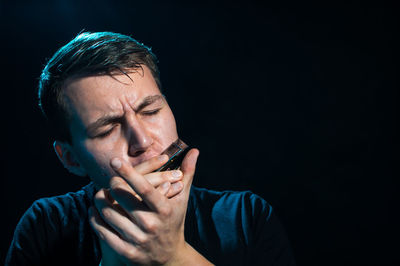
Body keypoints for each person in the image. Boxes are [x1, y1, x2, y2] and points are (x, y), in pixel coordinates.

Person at [5, 32, 296, 266]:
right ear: (70, 158)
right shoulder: (46, 226)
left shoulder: (246, 216)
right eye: (107, 129)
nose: (143, 142)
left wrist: (174, 257)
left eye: (151, 110)